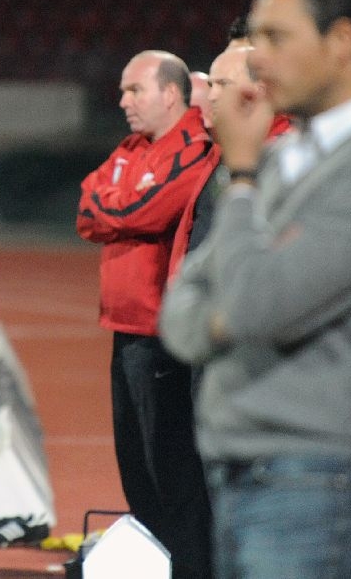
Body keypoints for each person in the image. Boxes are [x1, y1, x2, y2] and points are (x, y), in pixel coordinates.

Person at [159, 0, 351, 579]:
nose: (259, 59)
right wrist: (230, 308)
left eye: (276, 38)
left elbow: (253, 307)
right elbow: (182, 316)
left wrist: (241, 177)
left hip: (322, 477)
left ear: (341, 41)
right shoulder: (284, 157)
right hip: (249, 468)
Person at [75, 50, 216, 578]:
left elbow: (146, 211)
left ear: (171, 94)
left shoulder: (194, 147)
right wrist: (123, 205)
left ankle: (191, 568)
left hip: (162, 335)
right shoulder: (132, 147)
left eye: (134, 89)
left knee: (172, 474)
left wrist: (118, 206)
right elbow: (87, 206)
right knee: (136, 471)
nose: (123, 101)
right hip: (123, 329)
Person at [168, 45, 293, 278]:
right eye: (211, 85)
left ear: (260, 88)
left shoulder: (285, 154)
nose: (212, 96)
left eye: (223, 84)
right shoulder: (224, 146)